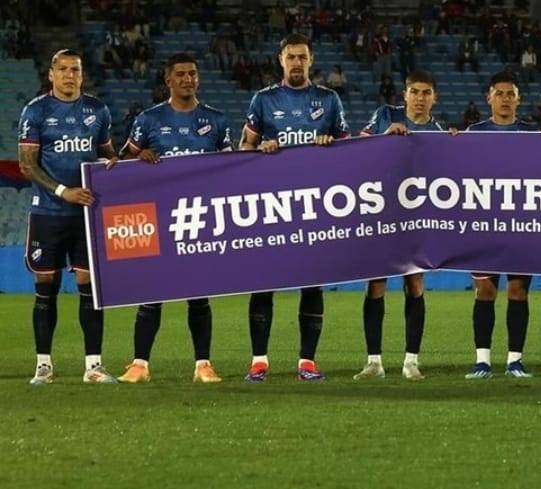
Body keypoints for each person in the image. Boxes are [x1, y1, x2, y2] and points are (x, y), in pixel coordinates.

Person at [116, 54, 232, 384]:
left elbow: (231, 168)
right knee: (151, 293)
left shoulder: (217, 120)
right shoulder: (149, 120)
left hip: (199, 219)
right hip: (159, 218)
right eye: (180, 74)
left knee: (199, 295)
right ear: (168, 80)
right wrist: (140, 156)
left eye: (192, 74)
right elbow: (121, 163)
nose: (187, 79)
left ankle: (203, 365)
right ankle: (139, 365)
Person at [241, 34, 350, 382]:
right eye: (291, 57)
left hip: (313, 207)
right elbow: (244, 148)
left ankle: (307, 361)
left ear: (311, 60)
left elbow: (351, 153)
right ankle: (259, 361)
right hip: (272, 206)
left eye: (303, 57)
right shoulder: (263, 100)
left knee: (312, 285)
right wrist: (261, 149)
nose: (297, 63)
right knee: (262, 283)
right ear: (281, 60)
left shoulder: (328, 100)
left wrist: (331, 145)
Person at [19, 49, 119, 385]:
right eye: (62, 69)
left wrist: (116, 163)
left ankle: (93, 365)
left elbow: (106, 153)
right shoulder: (35, 111)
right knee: (45, 284)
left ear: (82, 73)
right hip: (48, 213)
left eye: (74, 69)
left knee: (88, 285)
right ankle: (43, 366)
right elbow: (27, 164)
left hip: (86, 213)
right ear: (51, 74)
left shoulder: (97, 110)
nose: (68, 75)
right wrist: (63, 191)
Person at [356, 70, 446, 381]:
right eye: (415, 92)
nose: (420, 98)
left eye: (426, 93)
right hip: (382, 213)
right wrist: (384, 138)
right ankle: (374, 362)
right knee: (376, 284)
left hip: (416, 218)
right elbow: (357, 147)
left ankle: (411, 361)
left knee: (415, 284)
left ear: (434, 97)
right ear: (404, 95)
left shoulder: (439, 132)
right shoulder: (385, 116)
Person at [462, 71, 535, 379]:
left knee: (518, 291)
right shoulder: (472, 133)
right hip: (484, 226)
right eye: (500, 93)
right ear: (488, 98)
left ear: (518, 100)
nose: (505, 99)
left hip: (521, 226)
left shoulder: (533, 135)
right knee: (485, 291)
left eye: (510, 94)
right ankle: (483, 361)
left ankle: (515, 361)